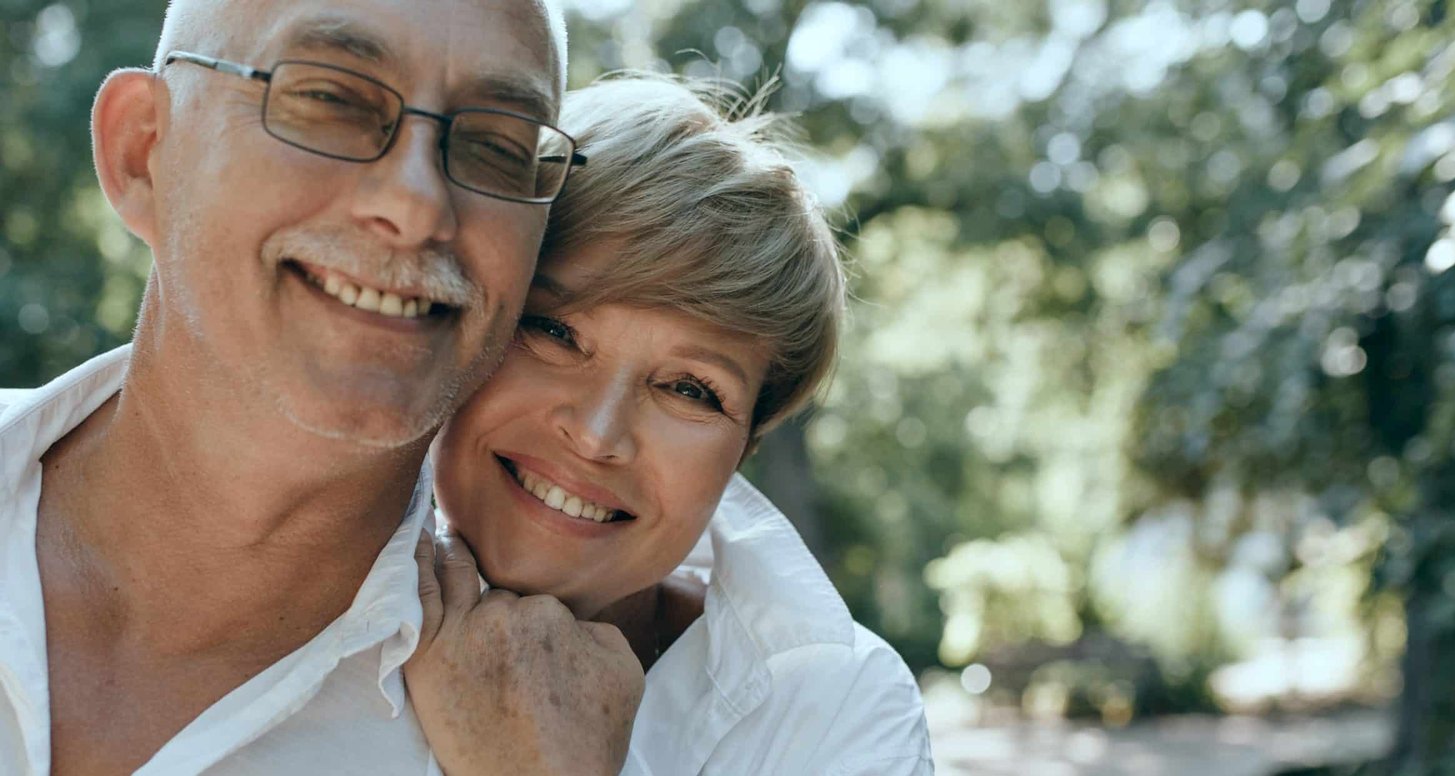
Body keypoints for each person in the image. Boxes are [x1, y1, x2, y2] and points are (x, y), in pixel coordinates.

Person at [0, 0, 644, 773]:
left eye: (496, 147)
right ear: (143, 152)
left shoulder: (544, 746)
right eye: (332, 99)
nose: (415, 205)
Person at [410, 74, 934, 775]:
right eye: (554, 331)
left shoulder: (834, 707)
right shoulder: (285, 608)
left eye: (690, 389)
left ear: (744, 449)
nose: (597, 434)